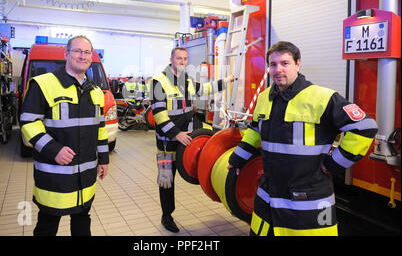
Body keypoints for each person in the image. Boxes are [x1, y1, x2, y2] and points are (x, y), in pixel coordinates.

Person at [228, 41, 378, 236]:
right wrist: (238, 157)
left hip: (307, 201)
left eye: (285, 63)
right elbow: (256, 129)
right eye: (273, 64)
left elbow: (365, 127)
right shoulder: (265, 97)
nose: (278, 69)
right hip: (268, 195)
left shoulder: (322, 97)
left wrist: (334, 164)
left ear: (298, 64)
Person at [20, 36, 109, 236]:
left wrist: (103, 159)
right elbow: (28, 122)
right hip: (55, 174)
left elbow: (100, 129)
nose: (82, 56)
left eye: (87, 52)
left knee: (82, 221)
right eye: (77, 51)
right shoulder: (43, 84)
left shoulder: (95, 91)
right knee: (47, 226)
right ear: (66, 54)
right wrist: (54, 149)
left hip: (85, 175)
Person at [150, 47, 234, 233]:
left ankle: (168, 214)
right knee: (166, 180)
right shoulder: (158, 82)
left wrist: (226, 81)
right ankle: (166, 216)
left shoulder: (186, 80)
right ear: (171, 59)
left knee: (186, 172)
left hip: (186, 141)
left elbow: (204, 88)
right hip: (167, 143)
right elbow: (158, 114)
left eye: (185, 59)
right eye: (178, 58)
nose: (182, 62)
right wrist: (176, 134)